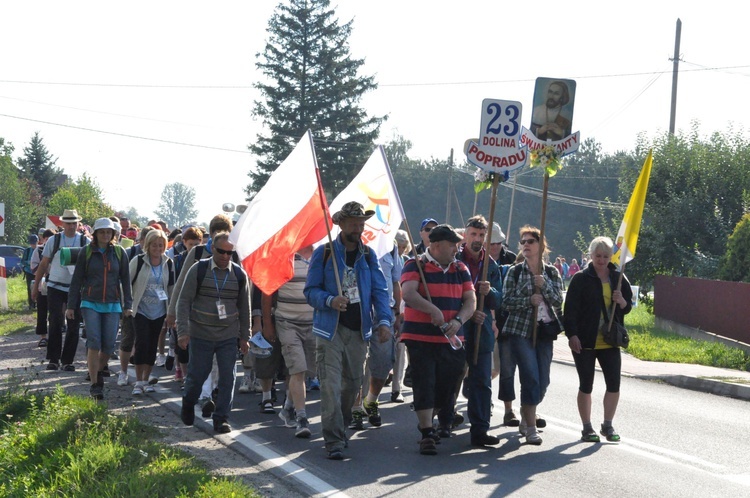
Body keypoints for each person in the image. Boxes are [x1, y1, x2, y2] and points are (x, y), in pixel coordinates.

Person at [304, 201, 392, 461]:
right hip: (329, 331)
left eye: (362, 222)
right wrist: (330, 300)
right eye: (353, 222)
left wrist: (384, 321)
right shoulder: (324, 253)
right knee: (330, 385)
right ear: (341, 224)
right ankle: (333, 440)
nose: (358, 227)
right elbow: (310, 291)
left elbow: (379, 290)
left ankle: (339, 427)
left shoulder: (368, 255)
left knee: (352, 385)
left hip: (359, 331)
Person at [400, 224, 476, 455]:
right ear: (435, 245)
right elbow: (409, 293)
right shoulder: (415, 264)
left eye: (457, 244)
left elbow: (470, 301)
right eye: (452, 244)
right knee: (425, 383)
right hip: (420, 336)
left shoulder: (460, 268)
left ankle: (440, 416)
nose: (456, 249)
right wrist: (432, 310)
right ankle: (426, 433)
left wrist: (458, 321)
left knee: (450, 383)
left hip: (451, 337)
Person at [177, 232, 251, 434]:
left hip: (228, 335)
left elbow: (245, 308)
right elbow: (183, 301)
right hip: (200, 333)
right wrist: (183, 332)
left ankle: (221, 418)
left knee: (228, 377)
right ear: (212, 248)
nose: (226, 256)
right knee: (197, 376)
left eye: (230, 252)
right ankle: (188, 401)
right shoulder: (198, 269)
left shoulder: (239, 274)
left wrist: (245, 336)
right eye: (221, 251)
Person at [564, 236, 633, 443]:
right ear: (590, 255)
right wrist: (572, 335)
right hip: (585, 341)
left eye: (605, 256)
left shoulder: (618, 278)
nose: (602, 260)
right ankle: (587, 428)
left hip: (610, 341)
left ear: (611, 256)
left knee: (614, 384)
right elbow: (570, 311)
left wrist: (621, 301)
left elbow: (628, 307)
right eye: (598, 256)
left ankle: (608, 425)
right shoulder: (581, 279)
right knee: (586, 384)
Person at [501, 225, 564, 446]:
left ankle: (526, 412)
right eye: (523, 242)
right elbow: (506, 301)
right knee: (531, 377)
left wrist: (543, 286)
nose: (526, 245)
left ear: (541, 245)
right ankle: (530, 427)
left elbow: (558, 301)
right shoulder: (514, 271)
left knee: (543, 380)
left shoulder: (552, 272)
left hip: (544, 331)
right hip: (520, 331)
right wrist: (529, 300)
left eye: (531, 241)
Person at [66, 218, 133, 399]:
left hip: (113, 304)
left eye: (108, 232)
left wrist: (128, 305)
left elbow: (126, 281)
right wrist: (71, 305)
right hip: (90, 303)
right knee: (94, 341)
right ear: (95, 234)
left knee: (109, 344)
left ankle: (98, 368)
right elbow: (77, 280)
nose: (105, 235)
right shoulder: (86, 252)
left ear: (113, 234)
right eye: (102, 232)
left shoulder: (120, 253)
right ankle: (95, 383)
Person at [454, 215, 502, 447]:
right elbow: (448, 295)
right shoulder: (454, 261)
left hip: (482, 331)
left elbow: (500, 300)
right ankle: (443, 420)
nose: (477, 239)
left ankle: (480, 429)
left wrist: (489, 291)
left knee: (482, 380)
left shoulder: (490, 266)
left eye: (482, 235)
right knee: (451, 377)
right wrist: (469, 311)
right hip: (457, 328)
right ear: (465, 235)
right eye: (473, 234)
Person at [264, 245, 316, 438]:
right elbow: (268, 292)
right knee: (298, 369)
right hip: (287, 322)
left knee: (310, 370)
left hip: (313, 324)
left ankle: (287, 407)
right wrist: (267, 323)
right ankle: (301, 418)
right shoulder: (283, 256)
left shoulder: (320, 254)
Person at [32, 209, 90, 371]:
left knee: (73, 325)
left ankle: (68, 361)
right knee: (56, 321)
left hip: (76, 289)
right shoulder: (54, 240)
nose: (71, 226)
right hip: (55, 286)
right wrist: (36, 286)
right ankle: (53, 359)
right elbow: (44, 264)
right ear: (62, 223)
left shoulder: (85, 242)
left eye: (74, 223)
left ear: (78, 224)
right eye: (68, 223)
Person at [129, 229, 175, 395]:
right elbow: (126, 283)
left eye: (161, 245)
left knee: (152, 345)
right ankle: (138, 381)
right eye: (154, 245)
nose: (158, 248)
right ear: (148, 245)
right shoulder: (138, 261)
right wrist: (127, 305)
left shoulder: (168, 263)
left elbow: (171, 288)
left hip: (159, 310)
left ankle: (147, 379)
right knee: (142, 343)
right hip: (140, 309)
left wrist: (171, 312)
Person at [21, 234, 39, 310]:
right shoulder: (27, 251)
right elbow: (22, 261)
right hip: (29, 272)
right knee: (30, 288)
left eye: (34, 243)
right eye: (32, 243)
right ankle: (31, 304)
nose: (33, 245)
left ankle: (38, 304)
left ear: (38, 242)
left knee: (39, 288)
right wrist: (29, 263)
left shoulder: (40, 249)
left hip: (38, 272)